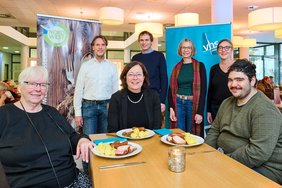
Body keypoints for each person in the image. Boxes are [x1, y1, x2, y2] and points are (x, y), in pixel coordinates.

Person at [0, 66, 95, 187]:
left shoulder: (52, 112)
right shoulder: (4, 115)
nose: (38, 89)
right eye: (32, 83)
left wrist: (82, 139)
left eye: (43, 85)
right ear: (20, 86)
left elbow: (71, 137)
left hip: (74, 181)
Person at [205, 59, 282, 184]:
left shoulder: (264, 109)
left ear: (252, 81)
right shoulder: (226, 102)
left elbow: (258, 153)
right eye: (230, 80)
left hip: (264, 170)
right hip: (226, 160)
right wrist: (207, 155)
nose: (233, 84)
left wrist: (222, 160)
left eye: (239, 80)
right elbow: (214, 131)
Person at [74, 35, 119, 134]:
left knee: (105, 138)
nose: (100, 47)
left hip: (107, 107)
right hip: (89, 107)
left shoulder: (112, 67)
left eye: (103, 45)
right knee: (89, 139)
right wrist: (77, 113)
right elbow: (78, 90)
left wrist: (116, 112)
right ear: (93, 47)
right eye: (97, 45)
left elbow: (115, 91)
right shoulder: (85, 66)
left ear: (106, 47)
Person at [108, 61, 162, 133]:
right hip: (125, 142)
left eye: (139, 74)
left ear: (144, 77)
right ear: (125, 77)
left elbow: (157, 126)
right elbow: (112, 129)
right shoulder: (116, 98)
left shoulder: (154, 96)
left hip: (149, 140)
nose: (135, 78)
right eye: (131, 74)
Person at [168, 38, 207, 137]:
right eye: (183, 47)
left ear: (192, 49)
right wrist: (171, 108)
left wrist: (200, 112)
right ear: (180, 49)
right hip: (178, 103)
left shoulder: (199, 66)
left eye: (188, 47)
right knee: (179, 134)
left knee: (192, 135)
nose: (186, 50)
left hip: (192, 104)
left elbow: (203, 90)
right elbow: (171, 89)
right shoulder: (176, 67)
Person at [132, 31, 168, 113]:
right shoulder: (135, 58)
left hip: (155, 96)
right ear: (139, 42)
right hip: (138, 96)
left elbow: (164, 79)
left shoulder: (159, 56)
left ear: (151, 41)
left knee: (155, 124)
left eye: (146, 40)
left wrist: (162, 100)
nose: (144, 42)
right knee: (139, 123)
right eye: (141, 40)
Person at [207, 39, 234, 124]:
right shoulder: (213, 69)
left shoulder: (239, 67)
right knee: (218, 135)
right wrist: (209, 111)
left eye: (226, 47)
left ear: (232, 50)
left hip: (235, 107)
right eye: (220, 48)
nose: (223, 50)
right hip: (216, 109)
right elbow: (210, 91)